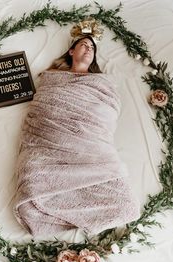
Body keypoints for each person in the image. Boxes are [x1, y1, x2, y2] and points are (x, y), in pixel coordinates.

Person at [13, 19, 140, 237]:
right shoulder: (51, 79)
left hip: (92, 148)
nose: (89, 49)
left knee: (127, 206)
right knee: (32, 185)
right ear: (72, 51)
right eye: (84, 45)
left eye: (92, 47)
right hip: (51, 148)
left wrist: (87, 123)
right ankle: (61, 215)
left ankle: (68, 216)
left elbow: (108, 113)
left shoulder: (102, 84)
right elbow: (41, 111)